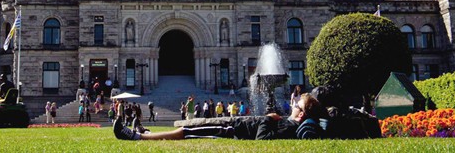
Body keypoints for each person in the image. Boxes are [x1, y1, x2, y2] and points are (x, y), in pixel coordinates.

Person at [114, 93, 323, 141]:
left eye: (298, 104)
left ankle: (136, 137)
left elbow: (263, 140)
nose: (293, 103)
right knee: (191, 128)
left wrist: (268, 118)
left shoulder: (290, 127)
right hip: (232, 123)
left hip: (231, 131)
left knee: (187, 132)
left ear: (302, 114)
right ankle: (148, 133)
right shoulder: (288, 122)